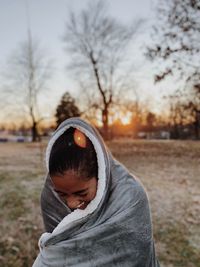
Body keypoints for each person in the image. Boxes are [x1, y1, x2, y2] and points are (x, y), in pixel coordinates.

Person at [33, 117, 160, 267]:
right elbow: (60, 250)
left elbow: (137, 256)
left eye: (81, 193)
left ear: (101, 176)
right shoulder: (51, 198)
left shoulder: (130, 197)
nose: (71, 203)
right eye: (62, 194)